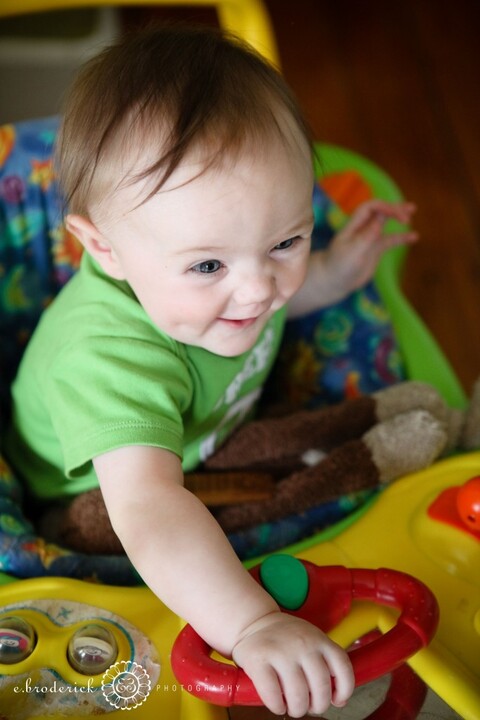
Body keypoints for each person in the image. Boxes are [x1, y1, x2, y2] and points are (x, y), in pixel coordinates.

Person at [5, 25, 417, 717]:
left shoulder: (236, 269)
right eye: (208, 265)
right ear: (105, 250)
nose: (258, 290)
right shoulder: (106, 359)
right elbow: (148, 507)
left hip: (205, 444)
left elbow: (269, 281)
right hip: (103, 494)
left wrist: (329, 275)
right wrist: (250, 625)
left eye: (287, 239)